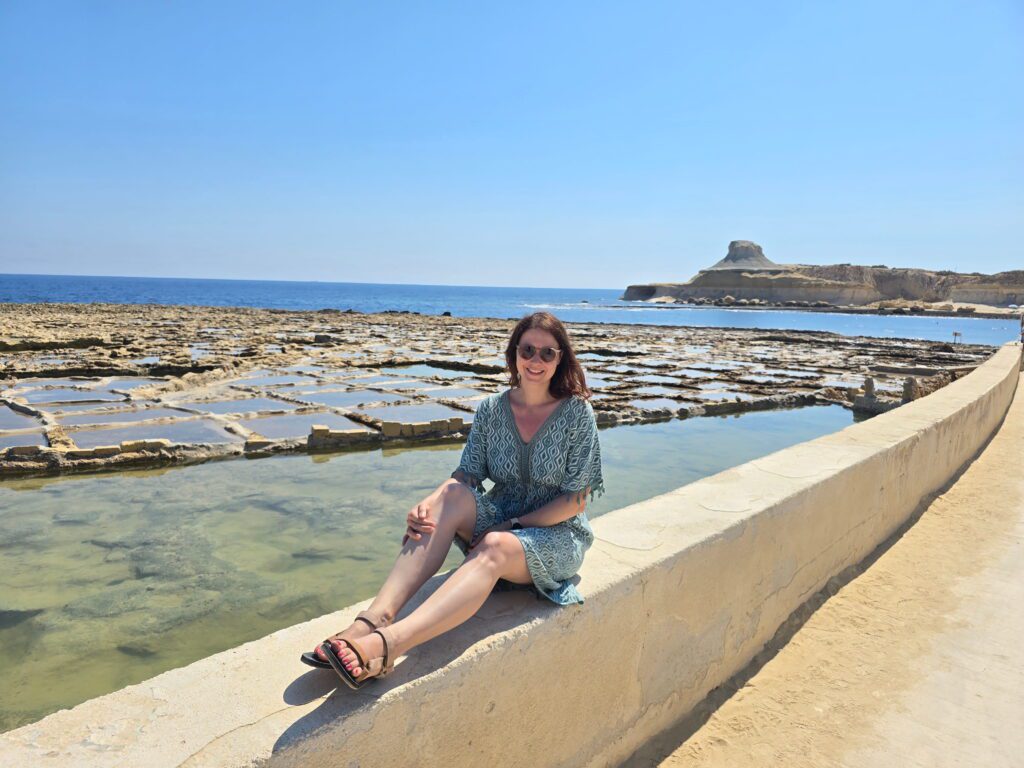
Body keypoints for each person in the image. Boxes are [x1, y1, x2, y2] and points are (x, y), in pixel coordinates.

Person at [301, 311, 604, 688]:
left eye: (547, 353)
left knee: (494, 543)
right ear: (514, 354)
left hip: (557, 536)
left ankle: (387, 646)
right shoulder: (493, 410)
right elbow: (467, 475)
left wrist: (510, 526)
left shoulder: (576, 413)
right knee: (451, 497)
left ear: (561, 359)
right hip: (499, 521)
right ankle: (372, 620)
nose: (536, 361)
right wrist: (429, 502)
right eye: (528, 350)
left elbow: (576, 501)